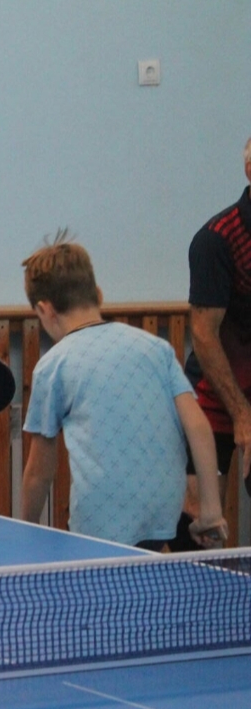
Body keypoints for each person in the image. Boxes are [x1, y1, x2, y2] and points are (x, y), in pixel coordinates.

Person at [19, 233, 227, 550]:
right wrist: (210, 510)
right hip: (164, 511)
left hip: (101, 523)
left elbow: (39, 472)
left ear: (44, 310)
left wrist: (25, 531)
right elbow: (198, 426)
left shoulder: (53, 366)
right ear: (99, 294)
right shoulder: (157, 348)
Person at [173, 136, 251, 550]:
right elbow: (204, 334)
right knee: (197, 527)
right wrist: (242, 414)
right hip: (214, 394)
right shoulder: (217, 239)